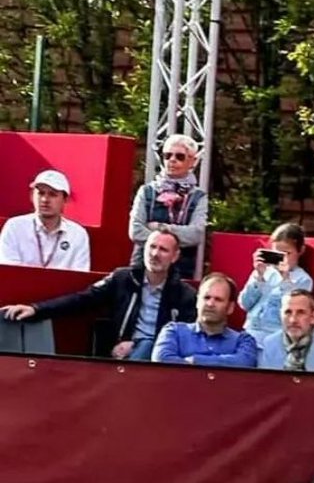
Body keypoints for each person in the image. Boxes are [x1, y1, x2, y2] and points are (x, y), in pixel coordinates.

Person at [1, 226, 195, 360]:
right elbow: (83, 299)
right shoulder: (122, 278)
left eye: (163, 249)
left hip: (159, 361)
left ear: (175, 256)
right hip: (119, 353)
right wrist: (37, 309)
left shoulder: (185, 295)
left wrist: (140, 344)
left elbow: (184, 339)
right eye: (152, 247)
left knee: (147, 345)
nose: (154, 254)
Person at [129, 134, 208, 279]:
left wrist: (159, 227)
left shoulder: (199, 197)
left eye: (180, 156)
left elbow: (196, 234)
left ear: (193, 161)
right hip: (144, 266)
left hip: (180, 270)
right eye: (167, 155)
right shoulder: (147, 191)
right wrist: (174, 240)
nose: (172, 160)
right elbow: (136, 231)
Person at [152, 273, 258, 368]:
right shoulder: (173, 331)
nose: (210, 304)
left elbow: (245, 363)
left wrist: (195, 361)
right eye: (206, 297)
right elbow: (161, 360)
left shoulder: (243, 340)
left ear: (230, 307)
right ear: (197, 301)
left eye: (218, 299)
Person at [238, 222, 314, 348]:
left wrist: (285, 279)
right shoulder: (264, 271)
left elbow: (292, 312)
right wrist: (259, 277)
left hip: (275, 338)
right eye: (277, 254)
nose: (281, 260)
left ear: (300, 251)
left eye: (287, 254)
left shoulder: (303, 280)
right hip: (250, 334)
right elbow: (244, 304)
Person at [0, 169, 90, 271]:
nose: (45, 200)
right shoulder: (14, 227)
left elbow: (80, 275)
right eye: (41, 193)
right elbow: (9, 271)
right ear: (31, 196)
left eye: (52, 194)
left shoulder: (77, 234)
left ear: (65, 200)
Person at [259, 290, 314, 373]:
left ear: (313, 317)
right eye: (288, 312)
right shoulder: (269, 343)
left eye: (300, 312)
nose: (293, 320)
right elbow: (266, 385)